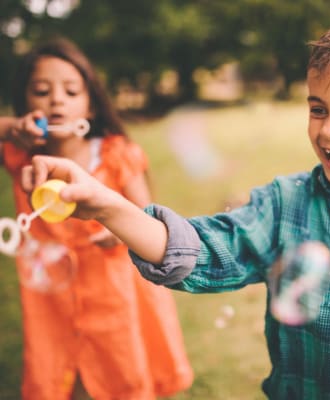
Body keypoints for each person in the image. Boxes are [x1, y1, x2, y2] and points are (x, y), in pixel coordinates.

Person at [20, 12, 330, 400]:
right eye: (318, 109)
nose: (329, 129)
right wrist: (107, 205)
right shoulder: (285, 205)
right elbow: (198, 250)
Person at [0, 38, 193, 400]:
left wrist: (120, 233)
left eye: (71, 90)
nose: (57, 99)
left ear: (90, 106)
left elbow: (146, 218)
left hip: (113, 291)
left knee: (120, 369)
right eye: (42, 90)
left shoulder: (116, 153)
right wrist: (13, 128)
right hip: (50, 297)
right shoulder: (20, 154)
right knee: (56, 371)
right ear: (25, 102)